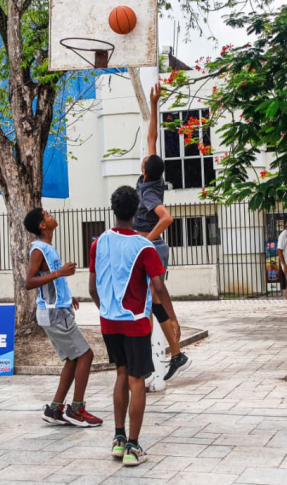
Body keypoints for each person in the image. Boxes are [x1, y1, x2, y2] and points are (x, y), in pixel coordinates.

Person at [89, 186, 178, 467]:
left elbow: (93, 288)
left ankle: (118, 438)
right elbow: (159, 286)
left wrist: (106, 310)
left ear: (113, 209)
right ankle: (133, 446)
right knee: (136, 381)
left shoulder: (98, 242)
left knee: (120, 375)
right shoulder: (144, 246)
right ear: (137, 209)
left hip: (108, 321)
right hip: (136, 322)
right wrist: (172, 318)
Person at [23, 207, 102, 427]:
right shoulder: (38, 249)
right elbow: (29, 282)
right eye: (47, 215)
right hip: (54, 313)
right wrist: (60, 273)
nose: (51, 216)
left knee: (72, 359)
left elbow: (51, 282)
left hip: (58, 309)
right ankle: (76, 410)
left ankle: (55, 408)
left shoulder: (48, 248)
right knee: (86, 356)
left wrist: (68, 296)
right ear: (42, 225)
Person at [133, 83, 188, 383]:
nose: (145, 156)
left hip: (153, 246)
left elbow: (167, 218)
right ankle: (176, 345)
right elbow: (152, 137)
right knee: (156, 297)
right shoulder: (151, 177)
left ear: (144, 170)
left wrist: (146, 238)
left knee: (156, 295)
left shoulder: (149, 194)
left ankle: (175, 336)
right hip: (153, 246)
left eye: (144, 158)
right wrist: (154, 104)